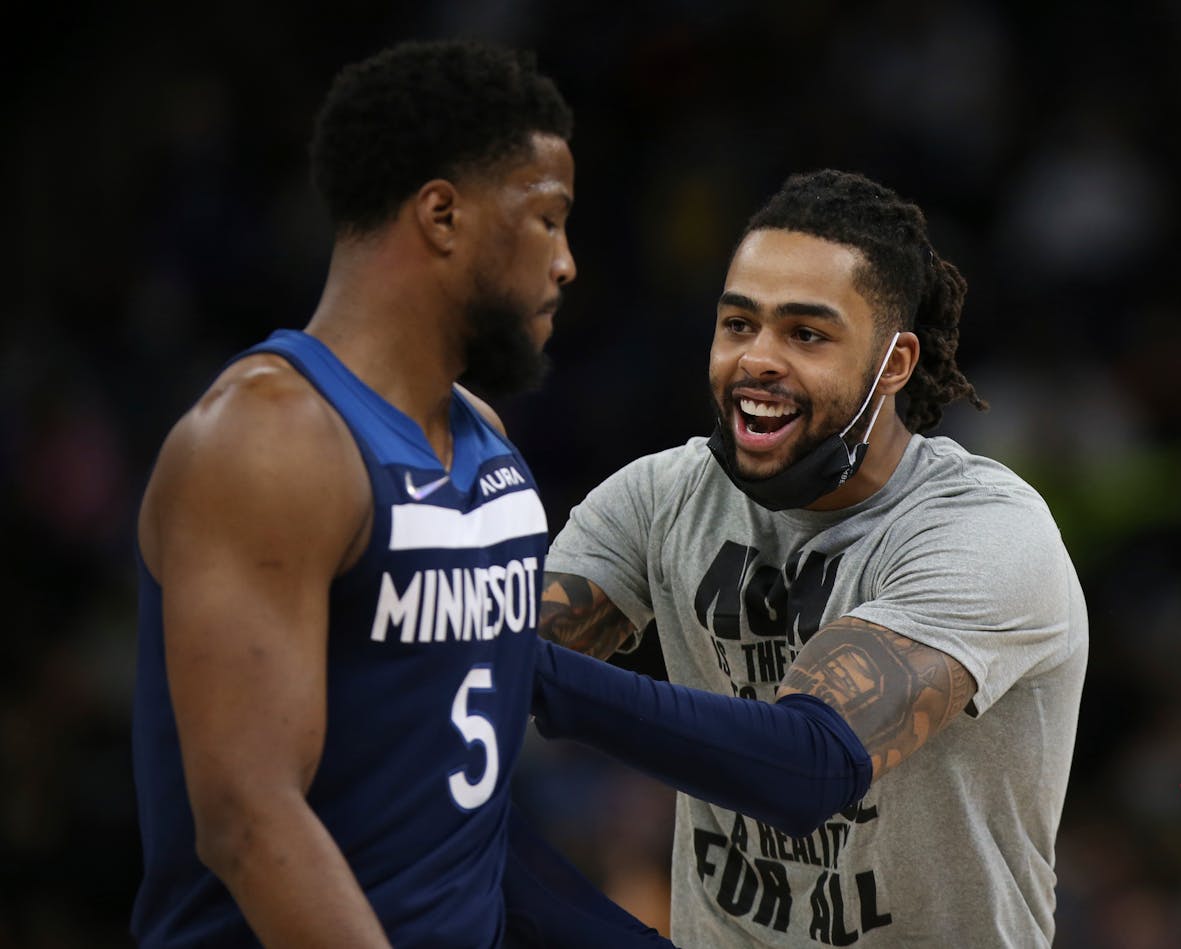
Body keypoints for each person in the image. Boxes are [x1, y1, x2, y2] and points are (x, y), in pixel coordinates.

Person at [130, 40, 667, 948]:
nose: (569, 262)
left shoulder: (488, 438)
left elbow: (465, 813)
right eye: (548, 219)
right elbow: (250, 823)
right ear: (442, 215)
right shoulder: (268, 439)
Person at [530, 169, 1089, 947]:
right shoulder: (660, 497)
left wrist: (509, 664)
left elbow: (805, 768)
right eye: (737, 325)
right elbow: (465, 693)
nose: (758, 359)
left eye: (806, 334)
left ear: (894, 364)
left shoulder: (985, 532)